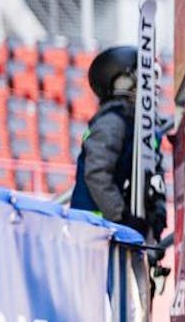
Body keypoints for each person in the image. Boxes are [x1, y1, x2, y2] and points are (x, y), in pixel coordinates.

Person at [70, 45, 165, 239]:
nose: (152, 86)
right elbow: (97, 174)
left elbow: (153, 173)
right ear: (121, 82)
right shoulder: (112, 122)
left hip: (113, 230)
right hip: (94, 232)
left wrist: (157, 212)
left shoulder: (143, 127)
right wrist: (121, 217)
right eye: (144, 77)